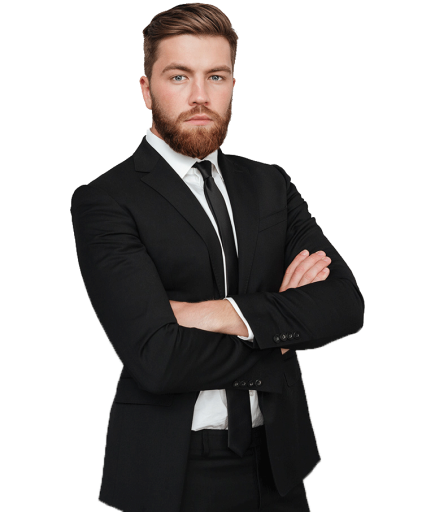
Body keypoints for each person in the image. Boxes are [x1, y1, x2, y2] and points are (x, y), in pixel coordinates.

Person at [71, 4, 364, 511]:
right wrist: (278, 333)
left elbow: (344, 304)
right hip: (173, 471)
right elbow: (158, 359)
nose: (200, 96)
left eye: (216, 76)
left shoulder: (271, 184)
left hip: (278, 464)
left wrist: (211, 314)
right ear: (145, 89)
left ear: (232, 84)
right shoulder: (106, 200)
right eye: (178, 76)